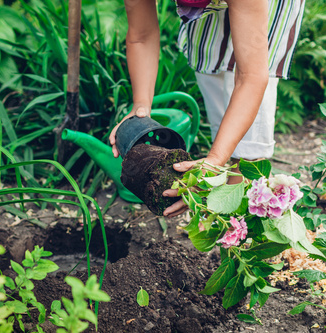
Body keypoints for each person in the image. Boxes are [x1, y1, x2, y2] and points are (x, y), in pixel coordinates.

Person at [109, 0, 305, 218]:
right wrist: (141, 106)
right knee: (212, 66)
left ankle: (242, 215)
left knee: (249, 142)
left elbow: (251, 77)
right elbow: (142, 36)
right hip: (211, 17)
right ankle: (225, 198)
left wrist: (215, 159)